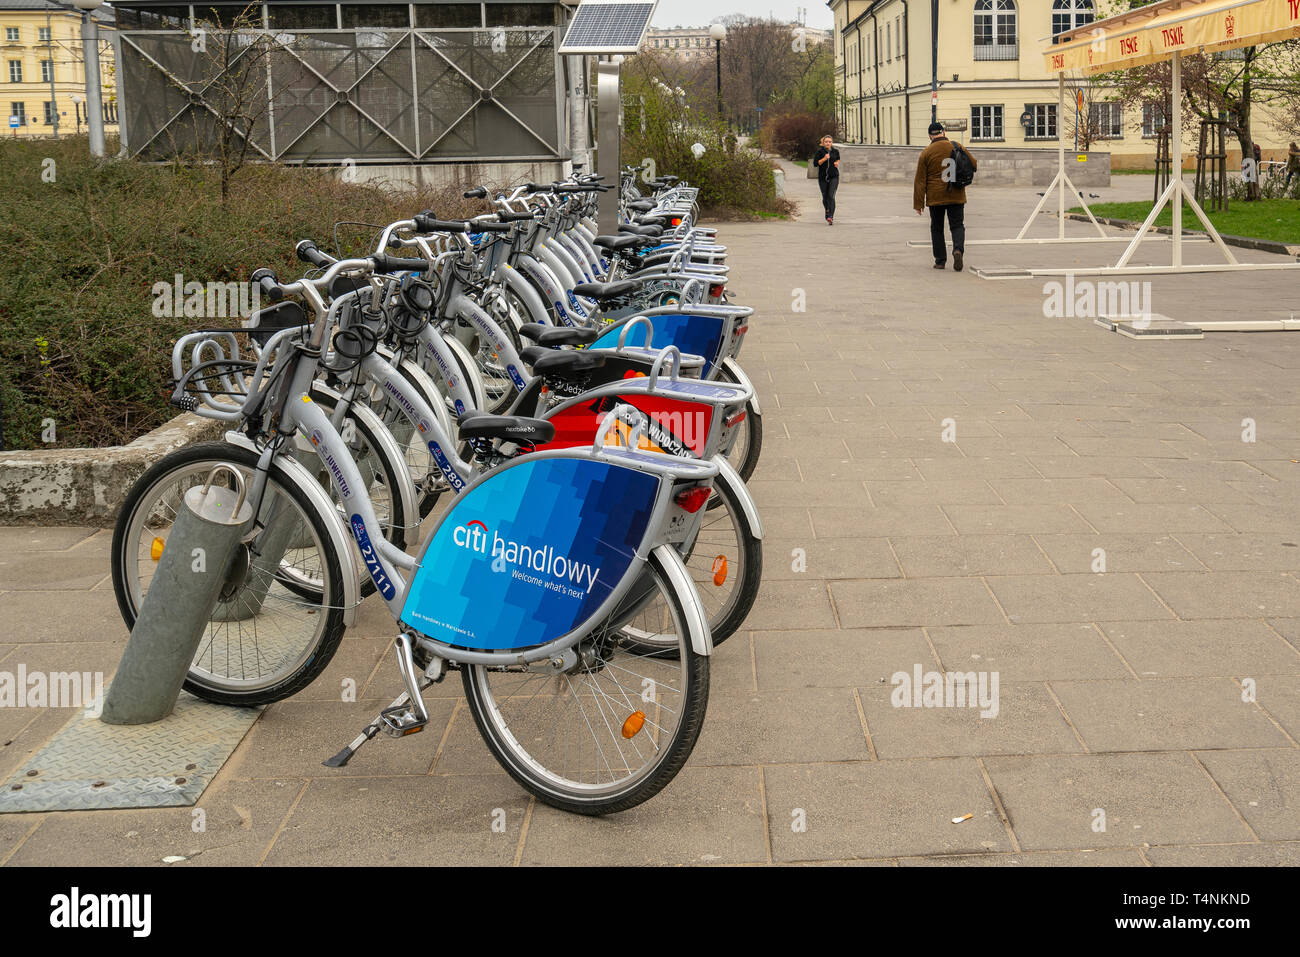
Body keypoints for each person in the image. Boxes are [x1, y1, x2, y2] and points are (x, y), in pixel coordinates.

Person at [913, 121, 977, 271]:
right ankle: (958, 250)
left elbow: (920, 180)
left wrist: (918, 203)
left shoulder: (926, 153)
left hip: (936, 197)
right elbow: (973, 164)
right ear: (944, 132)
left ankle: (940, 261)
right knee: (957, 225)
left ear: (930, 136)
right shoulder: (956, 146)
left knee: (937, 228)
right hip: (956, 193)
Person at [813, 135, 840, 225]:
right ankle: (827, 210)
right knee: (825, 197)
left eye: (829, 142)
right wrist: (824, 158)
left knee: (831, 196)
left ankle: (830, 217)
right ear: (823, 143)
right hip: (823, 178)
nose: (828, 143)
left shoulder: (835, 151)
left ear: (832, 143)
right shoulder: (819, 152)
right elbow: (816, 164)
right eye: (826, 142)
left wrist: (837, 162)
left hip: (834, 176)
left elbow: (838, 159)